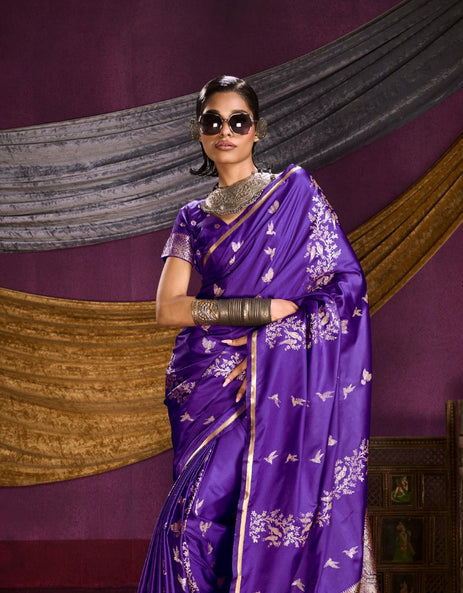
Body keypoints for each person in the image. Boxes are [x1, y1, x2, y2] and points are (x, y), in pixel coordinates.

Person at [138, 75, 376, 593]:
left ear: (257, 130)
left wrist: (271, 350)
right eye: (213, 122)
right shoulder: (192, 218)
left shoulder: (295, 193)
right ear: (199, 132)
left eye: (237, 121)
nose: (225, 131)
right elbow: (167, 308)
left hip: (279, 381)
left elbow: (345, 286)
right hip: (208, 380)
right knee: (191, 524)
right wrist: (260, 310)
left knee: (247, 516)